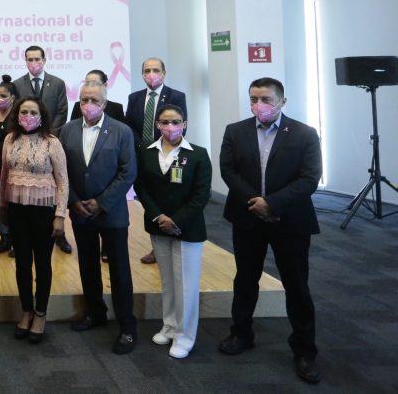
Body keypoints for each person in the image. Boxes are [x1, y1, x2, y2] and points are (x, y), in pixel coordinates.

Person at [218, 78, 322, 385]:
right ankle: (241, 333)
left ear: (282, 102)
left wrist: (272, 204)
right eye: (253, 99)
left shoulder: (304, 134)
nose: (258, 105)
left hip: (290, 221)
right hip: (247, 217)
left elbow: (309, 178)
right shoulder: (235, 131)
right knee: (245, 280)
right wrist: (255, 202)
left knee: (296, 285)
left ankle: (304, 350)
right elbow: (228, 171)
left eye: (265, 99)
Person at [60, 81, 138, 354]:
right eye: (84, 100)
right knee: (87, 265)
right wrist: (73, 201)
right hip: (80, 211)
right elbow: (61, 171)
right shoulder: (67, 130)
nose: (88, 105)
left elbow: (128, 172)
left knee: (119, 270)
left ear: (104, 103)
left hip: (112, 212)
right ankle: (96, 313)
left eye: (94, 100)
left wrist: (102, 202)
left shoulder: (121, 131)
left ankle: (127, 326)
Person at [133, 105, 211, 359]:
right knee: (167, 280)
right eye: (165, 122)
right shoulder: (146, 151)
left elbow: (201, 195)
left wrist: (176, 220)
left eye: (176, 122)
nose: (170, 127)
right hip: (158, 224)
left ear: (184, 124)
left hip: (187, 228)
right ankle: (169, 325)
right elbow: (141, 187)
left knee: (185, 284)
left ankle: (184, 336)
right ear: (157, 124)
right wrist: (159, 216)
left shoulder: (198, 154)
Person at [0, 96, 69, 345]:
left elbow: (63, 181)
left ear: (42, 116)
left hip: (43, 211)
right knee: (22, 263)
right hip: (16, 210)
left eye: (33, 112)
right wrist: (2, 206)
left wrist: (60, 215)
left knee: (42, 263)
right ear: (17, 115)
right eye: (23, 112)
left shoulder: (52, 142)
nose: (28, 117)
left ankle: (40, 313)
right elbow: (4, 176)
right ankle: (26, 310)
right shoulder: (9, 139)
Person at [125, 57, 188, 265]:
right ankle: (157, 244)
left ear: (164, 73)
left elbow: (180, 126)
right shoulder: (134, 97)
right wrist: (143, 148)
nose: (151, 74)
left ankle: (172, 236)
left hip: (167, 153)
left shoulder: (176, 96)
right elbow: (130, 126)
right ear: (142, 74)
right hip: (142, 155)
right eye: (147, 70)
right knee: (147, 197)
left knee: (167, 197)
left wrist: (161, 146)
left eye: (155, 70)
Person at [0, 75, 18, 255]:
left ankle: (17, 240)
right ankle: (4, 237)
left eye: (3, 96)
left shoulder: (18, 115)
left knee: (12, 206)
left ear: (12, 98)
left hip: (13, 168)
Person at [13, 45, 68, 134]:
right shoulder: (17, 84)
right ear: (26, 61)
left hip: (51, 134)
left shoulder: (58, 83)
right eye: (30, 60)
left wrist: (50, 133)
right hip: (25, 135)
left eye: (37, 59)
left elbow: (62, 112)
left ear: (44, 60)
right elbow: (15, 113)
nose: (33, 62)